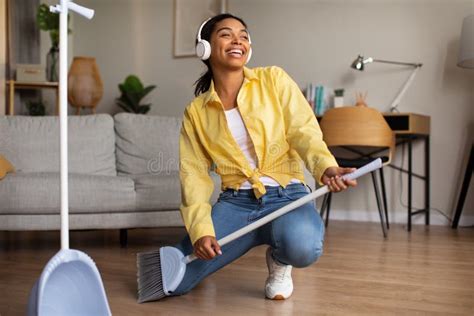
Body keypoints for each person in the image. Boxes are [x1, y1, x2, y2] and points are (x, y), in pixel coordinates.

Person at [173, 13, 357, 300]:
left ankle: (280, 260)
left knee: (303, 247)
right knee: (176, 281)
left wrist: (326, 167)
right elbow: (193, 173)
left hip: (288, 195)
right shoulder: (196, 112)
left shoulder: (274, 79)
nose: (238, 40)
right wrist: (201, 230)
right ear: (204, 48)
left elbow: (303, 130)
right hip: (236, 204)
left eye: (243, 35)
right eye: (226, 34)